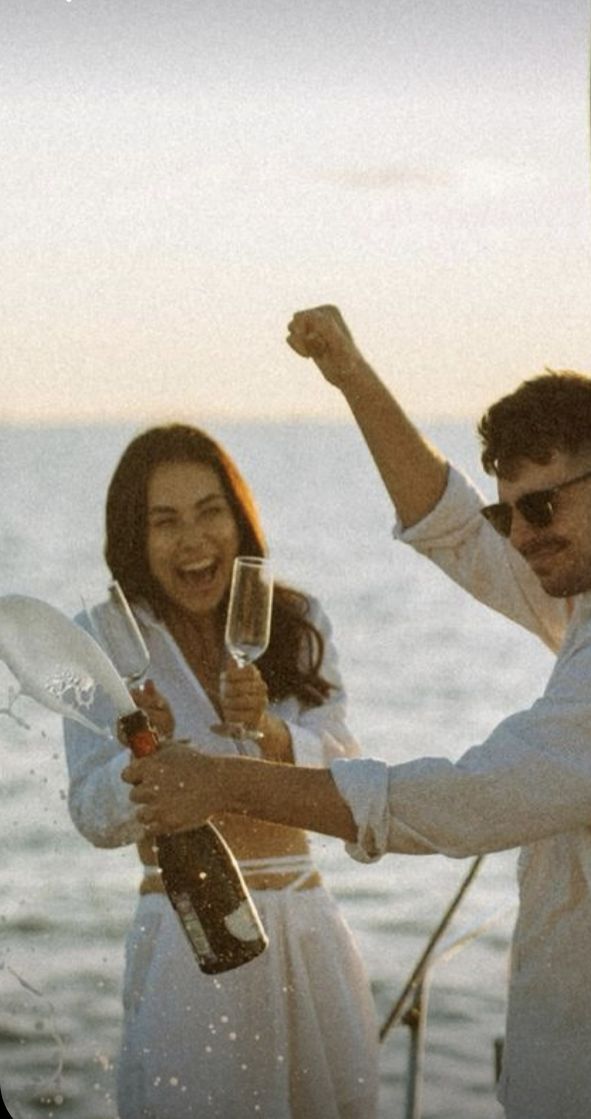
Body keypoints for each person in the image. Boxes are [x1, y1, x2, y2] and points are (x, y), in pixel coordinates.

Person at [124, 309, 591, 1119]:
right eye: (506, 511)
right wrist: (348, 369)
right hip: (579, 1071)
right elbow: (453, 529)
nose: (519, 536)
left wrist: (219, 783)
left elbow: (455, 804)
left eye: (540, 509)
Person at [63, 422, 379, 1119]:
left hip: (306, 926)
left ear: (239, 517)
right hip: (188, 940)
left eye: (211, 511)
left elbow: (351, 775)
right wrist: (139, 751)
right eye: (165, 521)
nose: (194, 539)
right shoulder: (104, 637)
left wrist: (269, 730)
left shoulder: (295, 619)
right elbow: (89, 810)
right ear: (134, 538)